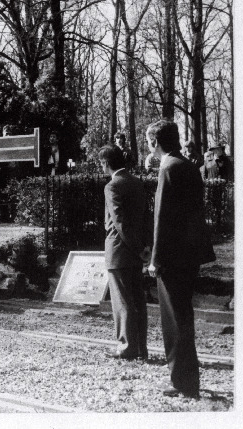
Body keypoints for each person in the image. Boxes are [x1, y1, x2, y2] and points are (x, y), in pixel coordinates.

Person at [146, 120, 216, 399]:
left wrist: (155, 258)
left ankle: (182, 382)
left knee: (174, 320)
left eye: (149, 141)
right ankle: (190, 379)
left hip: (172, 258)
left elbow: (162, 218)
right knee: (184, 317)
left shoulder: (168, 168)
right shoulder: (188, 166)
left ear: (156, 142)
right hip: (190, 255)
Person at [98, 145, 148, 360]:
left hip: (119, 250)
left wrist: (135, 247)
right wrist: (143, 247)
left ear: (106, 163)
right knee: (138, 301)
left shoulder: (112, 186)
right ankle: (140, 349)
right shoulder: (136, 182)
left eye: (101, 163)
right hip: (137, 251)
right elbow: (146, 217)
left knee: (122, 303)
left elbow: (119, 222)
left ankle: (126, 347)